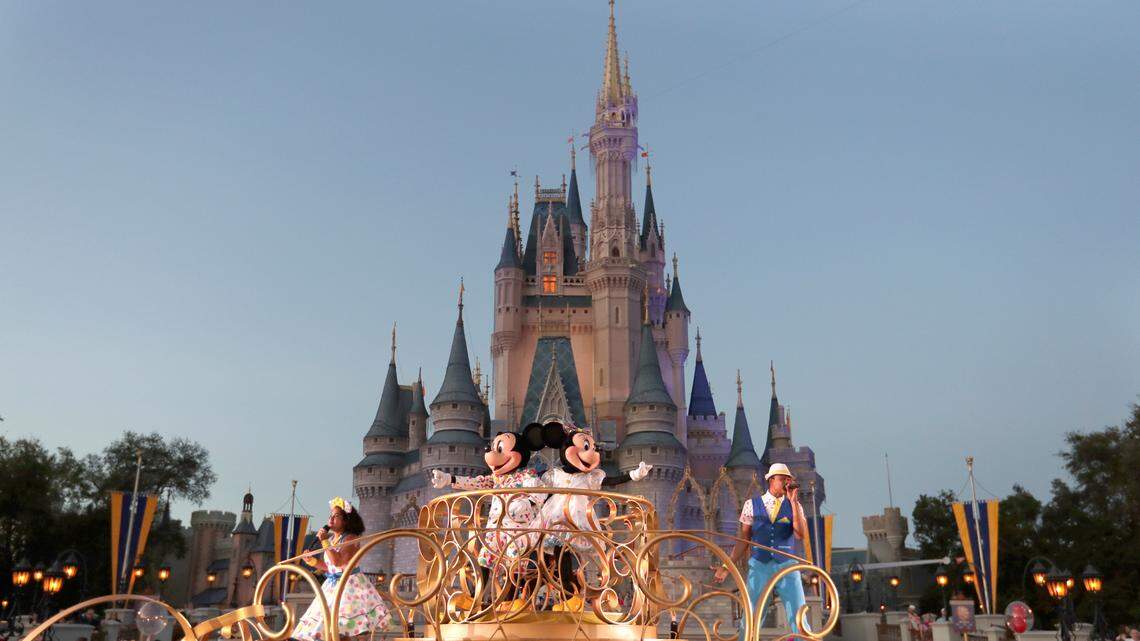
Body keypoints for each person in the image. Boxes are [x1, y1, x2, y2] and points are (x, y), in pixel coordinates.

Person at [714, 463, 809, 636]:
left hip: (787, 566)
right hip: (760, 566)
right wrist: (727, 566)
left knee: (799, 615)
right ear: (771, 480)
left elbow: (800, 534)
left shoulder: (795, 506)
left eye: (789, 480)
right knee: (751, 615)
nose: (787, 483)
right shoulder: (751, 505)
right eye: (783, 479)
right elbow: (743, 539)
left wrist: (794, 502)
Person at [294, 498, 391, 641]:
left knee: (348, 628)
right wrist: (312, 561)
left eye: (336, 516)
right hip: (333, 586)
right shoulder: (332, 540)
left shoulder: (350, 539)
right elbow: (330, 567)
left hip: (349, 587)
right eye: (330, 515)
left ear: (346, 520)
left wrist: (324, 541)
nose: (331, 519)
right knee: (331, 627)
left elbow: (338, 562)